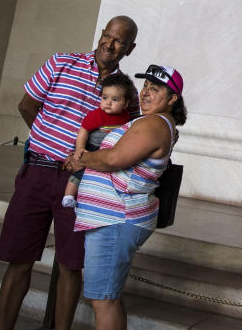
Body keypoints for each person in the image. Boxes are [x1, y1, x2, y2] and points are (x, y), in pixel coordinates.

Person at [0, 16, 140, 330]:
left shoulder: (126, 91)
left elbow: (129, 141)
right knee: (18, 260)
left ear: (129, 49)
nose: (109, 44)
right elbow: (26, 105)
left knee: (70, 265)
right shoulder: (61, 63)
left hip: (81, 185)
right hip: (38, 172)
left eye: (118, 42)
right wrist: (52, 141)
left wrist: (86, 159)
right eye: (107, 35)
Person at [67, 63, 186, 330]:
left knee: (104, 300)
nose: (145, 93)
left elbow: (113, 159)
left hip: (116, 219)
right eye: (144, 86)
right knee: (107, 298)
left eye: (154, 89)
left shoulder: (155, 123)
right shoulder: (153, 121)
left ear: (172, 98)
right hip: (114, 218)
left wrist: (82, 158)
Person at [61, 72, 135, 208]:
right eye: (105, 97)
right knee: (81, 171)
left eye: (115, 99)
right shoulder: (96, 115)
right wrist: (80, 148)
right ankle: (68, 195)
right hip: (93, 148)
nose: (108, 102)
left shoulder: (125, 117)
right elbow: (83, 131)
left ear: (126, 103)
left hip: (112, 152)